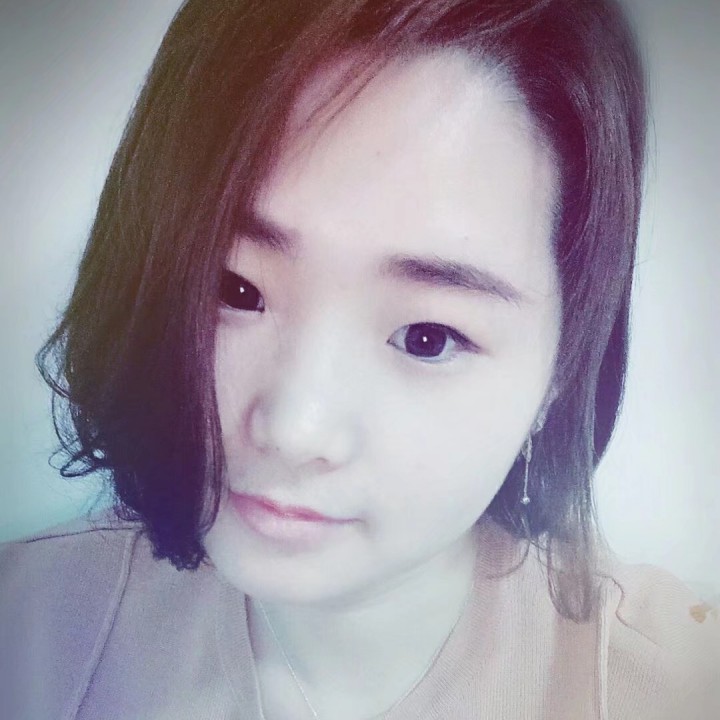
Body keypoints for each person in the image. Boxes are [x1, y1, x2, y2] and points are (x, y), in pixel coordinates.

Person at [1, 0, 718, 718]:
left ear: (560, 371)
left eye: (428, 337)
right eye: (236, 289)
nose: (295, 428)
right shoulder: (32, 626)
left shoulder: (679, 689)